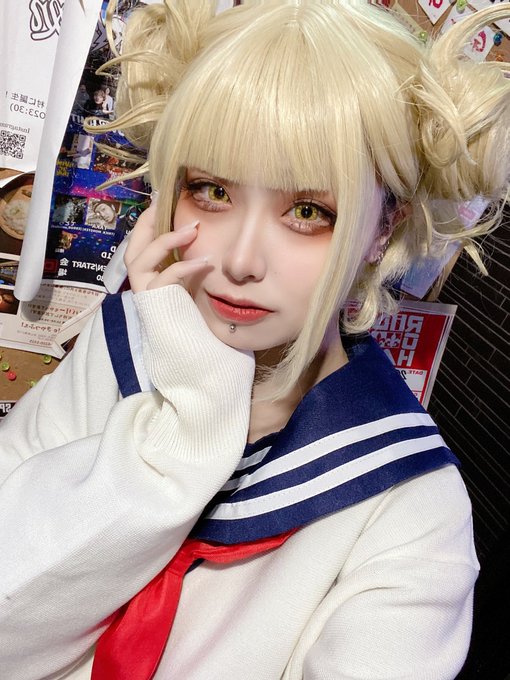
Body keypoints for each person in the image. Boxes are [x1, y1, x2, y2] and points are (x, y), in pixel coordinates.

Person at [1, 1, 509, 679]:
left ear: (384, 228)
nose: (240, 260)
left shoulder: (412, 510)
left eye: (308, 210)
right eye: (212, 191)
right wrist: (184, 427)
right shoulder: (115, 348)